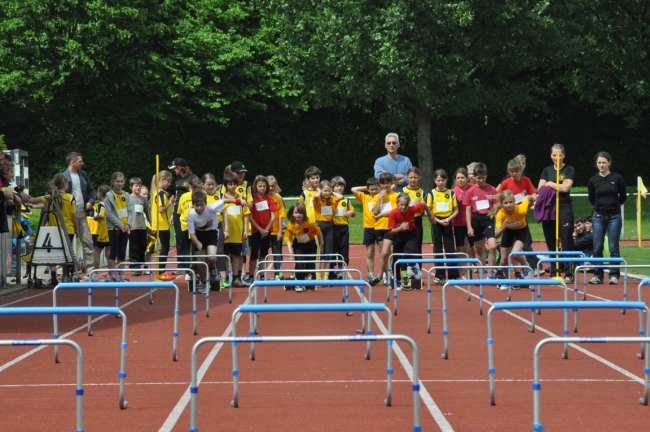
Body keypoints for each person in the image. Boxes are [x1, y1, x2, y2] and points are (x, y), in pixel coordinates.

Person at [28, 174, 79, 285]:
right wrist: (77, 229)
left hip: (53, 229)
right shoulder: (70, 197)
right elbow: (74, 215)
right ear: (66, 185)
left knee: (52, 253)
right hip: (67, 229)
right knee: (66, 254)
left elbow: (33, 200)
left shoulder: (49, 197)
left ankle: (53, 274)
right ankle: (65, 276)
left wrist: (26, 198)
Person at [187, 189, 240, 293]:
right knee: (200, 263)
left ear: (206, 204)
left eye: (202, 205)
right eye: (197, 205)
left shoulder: (211, 208)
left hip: (211, 233)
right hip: (198, 236)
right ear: (193, 205)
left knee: (211, 257)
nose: (199, 208)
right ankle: (204, 282)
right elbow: (192, 233)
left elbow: (224, 200)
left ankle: (213, 269)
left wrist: (240, 202)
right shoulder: (191, 215)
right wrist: (198, 243)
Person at [587, 151, 627, 285]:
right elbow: (592, 199)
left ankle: (614, 274)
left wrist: (614, 205)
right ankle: (598, 275)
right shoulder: (593, 180)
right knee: (597, 247)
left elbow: (623, 195)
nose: (601, 165)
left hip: (614, 216)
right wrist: (601, 206)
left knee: (613, 247)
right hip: (598, 216)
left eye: (604, 162)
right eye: (599, 163)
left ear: (609, 163)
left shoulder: (617, 178)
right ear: (596, 164)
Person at [538, 144, 576, 282]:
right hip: (549, 208)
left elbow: (565, 188)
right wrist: (555, 185)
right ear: (551, 155)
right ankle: (554, 272)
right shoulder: (546, 170)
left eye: (559, 155)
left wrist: (551, 184)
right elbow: (541, 189)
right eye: (554, 155)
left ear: (564, 155)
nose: (556, 158)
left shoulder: (569, 169)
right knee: (551, 241)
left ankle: (569, 272)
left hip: (564, 208)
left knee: (566, 240)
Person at [496, 158, 539, 272]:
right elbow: (498, 196)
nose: (514, 174)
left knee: (524, 245)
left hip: (520, 216)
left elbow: (533, 195)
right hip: (509, 218)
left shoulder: (526, 180)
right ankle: (509, 271)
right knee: (507, 252)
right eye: (512, 171)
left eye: (516, 171)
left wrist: (529, 200)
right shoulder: (505, 183)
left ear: (521, 170)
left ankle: (529, 266)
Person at [490, 190, 536, 289]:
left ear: (514, 202)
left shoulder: (521, 210)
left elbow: (527, 197)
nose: (508, 205)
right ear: (501, 203)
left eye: (510, 202)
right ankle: (507, 280)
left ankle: (525, 264)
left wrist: (534, 200)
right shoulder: (501, 214)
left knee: (514, 253)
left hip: (521, 230)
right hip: (508, 230)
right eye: (505, 203)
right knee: (503, 260)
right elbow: (496, 235)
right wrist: (502, 228)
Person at [388, 192, 435, 289]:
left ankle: (414, 265)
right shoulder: (393, 213)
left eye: (406, 205)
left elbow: (423, 204)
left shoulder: (412, 209)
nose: (403, 207)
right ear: (397, 204)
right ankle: (397, 280)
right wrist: (401, 228)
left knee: (408, 252)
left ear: (409, 204)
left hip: (410, 233)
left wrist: (429, 215)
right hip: (398, 235)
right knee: (396, 258)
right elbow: (391, 231)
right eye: (401, 205)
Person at [63, 152, 96, 281]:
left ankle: (91, 271)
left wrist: (91, 201)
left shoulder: (83, 175)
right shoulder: (63, 177)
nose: (82, 163)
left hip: (82, 214)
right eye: (80, 161)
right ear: (72, 162)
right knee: (66, 244)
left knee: (87, 242)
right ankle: (63, 272)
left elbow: (91, 190)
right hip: (67, 216)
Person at [463, 163, 499, 275]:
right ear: (474, 177)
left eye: (483, 178)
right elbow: (468, 210)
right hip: (476, 219)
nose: (481, 180)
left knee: (492, 247)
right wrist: (469, 227)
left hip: (488, 218)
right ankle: (481, 272)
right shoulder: (470, 191)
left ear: (486, 176)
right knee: (479, 249)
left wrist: (497, 223)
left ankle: (490, 272)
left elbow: (497, 208)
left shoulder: (492, 190)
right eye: (478, 178)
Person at [427, 169, 460, 284]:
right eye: (438, 180)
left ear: (446, 180)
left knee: (450, 248)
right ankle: (439, 275)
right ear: (435, 181)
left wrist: (448, 219)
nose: (440, 182)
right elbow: (428, 212)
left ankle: (453, 274)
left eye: (442, 180)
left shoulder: (451, 193)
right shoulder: (431, 193)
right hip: (436, 222)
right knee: (438, 248)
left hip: (447, 221)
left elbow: (456, 210)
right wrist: (438, 221)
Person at [284, 202, 324, 292]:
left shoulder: (309, 223)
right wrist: (290, 251)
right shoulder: (291, 225)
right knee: (300, 263)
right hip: (299, 245)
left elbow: (318, 233)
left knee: (310, 264)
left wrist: (321, 244)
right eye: (296, 213)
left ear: (304, 213)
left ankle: (305, 277)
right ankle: (299, 282)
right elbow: (288, 239)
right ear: (292, 213)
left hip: (310, 244)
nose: (298, 215)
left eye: (300, 213)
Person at [168, 158, 199, 273]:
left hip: (189, 211)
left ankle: (193, 265)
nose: (174, 170)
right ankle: (181, 265)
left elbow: (198, 194)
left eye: (175, 168)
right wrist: (173, 213)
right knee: (180, 239)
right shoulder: (177, 179)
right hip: (178, 210)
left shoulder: (193, 178)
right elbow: (176, 195)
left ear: (180, 167)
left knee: (191, 239)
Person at [222, 173, 251, 286]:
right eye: (230, 184)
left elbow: (246, 215)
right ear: (226, 185)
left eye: (234, 184)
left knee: (237, 256)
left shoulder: (241, 199)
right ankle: (225, 277)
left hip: (238, 233)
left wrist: (245, 230)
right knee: (226, 255)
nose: (232, 186)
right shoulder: (222, 198)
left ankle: (236, 277)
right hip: (226, 233)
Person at [352, 177, 381, 285]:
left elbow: (391, 187)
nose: (374, 191)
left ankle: (384, 274)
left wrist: (379, 188)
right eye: (371, 189)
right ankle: (370, 275)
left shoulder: (381, 196)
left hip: (380, 227)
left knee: (382, 252)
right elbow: (353, 189)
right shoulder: (364, 197)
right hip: (368, 228)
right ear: (368, 190)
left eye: (375, 189)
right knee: (370, 253)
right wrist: (368, 187)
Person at [203, 173, 230, 290]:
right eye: (208, 184)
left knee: (219, 251)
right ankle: (207, 278)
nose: (210, 187)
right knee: (205, 253)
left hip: (217, 226)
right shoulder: (200, 196)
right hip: (203, 227)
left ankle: (223, 278)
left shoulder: (219, 195)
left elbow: (225, 214)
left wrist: (227, 229)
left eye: (212, 184)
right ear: (202, 185)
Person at [104, 172, 133, 282]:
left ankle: (121, 275)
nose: (119, 183)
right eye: (117, 181)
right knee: (113, 252)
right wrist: (120, 225)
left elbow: (130, 211)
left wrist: (128, 224)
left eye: (121, 181)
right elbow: (109, 213)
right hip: (114, 228)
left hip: (125, 228)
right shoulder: (109, 196)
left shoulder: (126, 195)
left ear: (124, 182)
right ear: (112, 182)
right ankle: (111, 276)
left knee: (122, 252)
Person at [248, 176, 277, 281]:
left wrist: (266, 229)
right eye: (260, 186)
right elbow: (250, 217)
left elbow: (273, 216)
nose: (262, 188)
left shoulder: (269, 200)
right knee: (254, 253)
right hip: (256, 231)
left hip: (267, 231)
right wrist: (260, 229)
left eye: (264, 186)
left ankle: (263, 275)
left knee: (264, 253)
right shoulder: (253, 200)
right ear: (255, 186)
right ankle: (251, 275)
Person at [373, 173, 399, 286]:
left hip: (390, 227)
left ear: (391, 184)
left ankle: (380, 275)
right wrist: (379, 197)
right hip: (379, 227)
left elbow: (394, 211)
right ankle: (386, 275)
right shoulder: (376, 196)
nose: (385, 185)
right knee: (383, 253)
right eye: (383, 183)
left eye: (387, 183)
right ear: (380, 184)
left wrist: (381, 214)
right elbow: (374, 211)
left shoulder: (396, 195)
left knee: (385, 252)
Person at [313, 180, 343, 278]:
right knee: (319, 251)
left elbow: (341, 197)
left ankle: (326, 276)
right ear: (321, 191)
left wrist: (331, 191)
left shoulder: (332, 200)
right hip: (319, 226)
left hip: (329, 226)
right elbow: (316, 196)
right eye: (325, 191)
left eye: (328, 191)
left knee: (328, 252)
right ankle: (318, 276)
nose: (327, 193)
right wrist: (319, 191)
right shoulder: (318, 200)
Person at [150, 170, 175, 280]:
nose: (169, 184)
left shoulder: (156, 192)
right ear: (162, 180)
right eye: (168, 182)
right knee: (165, 247)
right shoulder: (160, 194)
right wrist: (170, 203)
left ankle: (160, 271)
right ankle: (160, 271)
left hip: (158, 224)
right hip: (161, 224)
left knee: (162, 247)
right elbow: (161, 209)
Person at [330, 176, 355, 278]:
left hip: (344, 228)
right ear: (332, 188)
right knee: (332, 249)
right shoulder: (330, 200)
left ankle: (341, 270)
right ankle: (331, 270)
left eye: (341, 186)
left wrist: (351, 212)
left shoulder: (347, 200)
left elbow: (353, 213)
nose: (339, 188)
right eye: (336, 186)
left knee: (343, 249)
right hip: (333, 227)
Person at [451, 168, 474, 263]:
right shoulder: (452, 192)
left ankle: (477, 266)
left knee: (474, 247)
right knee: (460, 248)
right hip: (458, 223)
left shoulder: (472, 189)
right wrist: (458, 202)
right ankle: (462, 270)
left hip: (471, 223)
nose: (460, 180)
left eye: (462, 177)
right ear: (455, 180)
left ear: (467, 179)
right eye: (458, 178)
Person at [128, 177, 150, 276]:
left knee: (142, 247)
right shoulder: (128, 198)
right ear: (131, 187)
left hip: (142, 226)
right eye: (136, 186)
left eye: (139, 186)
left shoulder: (143, 199)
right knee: (134, 247)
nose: (138, 188)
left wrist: (151, 223)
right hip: (132, 226)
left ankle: (140, 264)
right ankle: (134, 267)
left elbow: (147, 211)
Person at [267, 175, 286, 279]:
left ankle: (278, 273)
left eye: (273, 186)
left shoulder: (278, 198)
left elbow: (281, 216)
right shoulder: (260, 198)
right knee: (262, 252)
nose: (271, 188)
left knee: (277, 251)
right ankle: (262, 274)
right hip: (264, 231)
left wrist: (279, 231)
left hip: (275, 230)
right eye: (269, 186)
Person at [402, 167, 425, 254]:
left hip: (417, 221)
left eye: (415, 177)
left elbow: (423, 207)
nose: (413, 180)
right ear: (407, 178)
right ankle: (405, 266)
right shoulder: (403, 191)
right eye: (411, 177)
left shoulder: (422, 192)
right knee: (406, 244)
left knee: (417, 245)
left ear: (419, 178)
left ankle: (417, 266)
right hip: (405, 220)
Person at [91, 185, 111, 282]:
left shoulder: (101, 205)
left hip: (103, 232)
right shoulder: (111, 204)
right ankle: (111, 274)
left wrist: (95, 218)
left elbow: (101, 215)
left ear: (100, 194)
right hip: (111, 231)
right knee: (108, 253)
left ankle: (95, 274)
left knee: (97, 252)